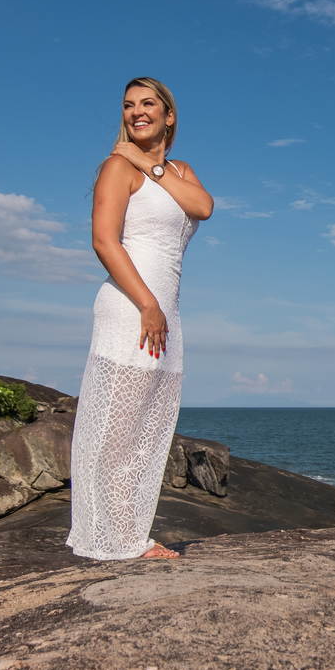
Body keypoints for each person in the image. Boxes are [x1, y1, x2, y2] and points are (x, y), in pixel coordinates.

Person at [67, 77, 214, 560]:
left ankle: (126, 535)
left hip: (164, 311)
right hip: (132, 307)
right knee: (117, 427)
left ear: (169, 116)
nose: (137, 112)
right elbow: (104, 241)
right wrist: (147, 304)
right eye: (129, 106)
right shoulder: (115, 167)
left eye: (148, 104)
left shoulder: (175, 169)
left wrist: (148, 165)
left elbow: (204, 207)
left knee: (148, 425)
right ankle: (114, 540)